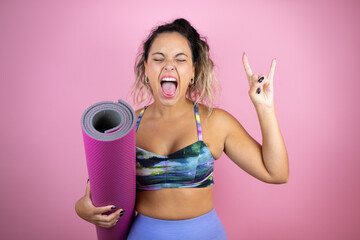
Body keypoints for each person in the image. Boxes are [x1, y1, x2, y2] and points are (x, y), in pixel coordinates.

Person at [75, 18, 289, 240]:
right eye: (158, 59)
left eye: (180, 59)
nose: (169, 65)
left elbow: (277, 173)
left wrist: (265, 108)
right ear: (146, 68)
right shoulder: (128, 126)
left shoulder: (215, 122)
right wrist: (82, 209)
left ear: (193, 70)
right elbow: (97, 191)